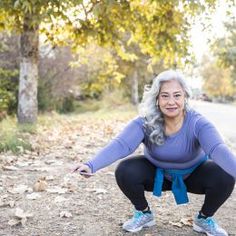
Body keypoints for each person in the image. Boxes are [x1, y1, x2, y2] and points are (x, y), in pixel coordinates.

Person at [73, 70, 236, 235]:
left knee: (225, 173)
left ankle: (204, 219)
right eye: (165, 96)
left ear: (185, 97)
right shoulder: (145, 122)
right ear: (157, 98)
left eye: (177, 95)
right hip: (158, 175)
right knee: (125, 170)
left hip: (194, 175)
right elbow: (121, 145)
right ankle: (144, 213)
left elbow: (218, 149)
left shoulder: (198, 123)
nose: (171, 101)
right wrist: (91, 165)